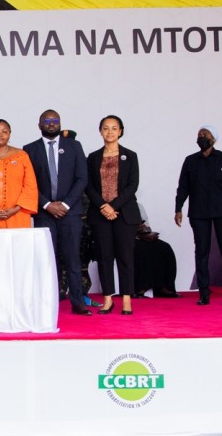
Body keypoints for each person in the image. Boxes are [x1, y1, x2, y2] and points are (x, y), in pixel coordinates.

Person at [24, 110, 89, 316]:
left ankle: (77, 302)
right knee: (47, 259)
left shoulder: (74, 146)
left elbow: (82, 178)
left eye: (55, 121)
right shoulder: (30, 149)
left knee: (72, 259)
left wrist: (66, 205)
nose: (51, 124)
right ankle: (47, 303)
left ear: (60, 123)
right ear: (39, 124)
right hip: (44, 213)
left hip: (70, 213)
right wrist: (47, 205)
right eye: (47, 121)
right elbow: (29, 183)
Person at [174, 125, 222, 306]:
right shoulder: (190, 161)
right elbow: (183, 187)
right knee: (202, 251)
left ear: (213, 139)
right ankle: (204, 293)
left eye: (205, 135)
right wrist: (178, 208)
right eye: (199, 134)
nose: (201, 137)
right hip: (199, 213)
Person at [84, 115, 140, 315]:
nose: (110, 132)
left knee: (125, 257)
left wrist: (113, 206)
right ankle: (108, 299)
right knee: (104, 257)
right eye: (105, 128)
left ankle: (126, 299)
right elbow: (88, 185)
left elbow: (132, 186)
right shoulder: (92, 157)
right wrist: (103, 206)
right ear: (100, 131)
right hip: (100, 215)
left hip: (124, 214)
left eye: (114, 128)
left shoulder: (130, 156)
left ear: (121, 131)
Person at [134, 204, 180, 298]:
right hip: (127, 237)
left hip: (141, 236)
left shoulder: (138, 206)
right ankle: (140, 288)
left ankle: (163, 286)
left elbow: (146, 225)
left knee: (164, 247)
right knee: (141, 250)